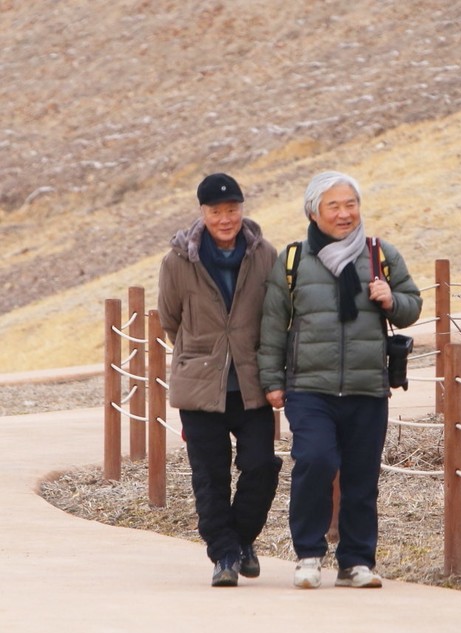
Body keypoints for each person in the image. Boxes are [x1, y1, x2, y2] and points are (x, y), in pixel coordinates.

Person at [258, 170, 422, 589]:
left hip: (368, 386)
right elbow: (274, 324)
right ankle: (309, 554)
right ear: (314, 212)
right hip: (309, 388)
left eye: (351, 204)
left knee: (361, 476)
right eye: (334, 205)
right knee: (315, 460)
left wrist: (392, 299)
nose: (345, 213)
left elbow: (411, 305)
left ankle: (356, 562)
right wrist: (272, 380)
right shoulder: (293, 260)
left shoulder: (380, 254)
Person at [158, 173, 282, 587]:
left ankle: (243, 537)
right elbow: (170, 319)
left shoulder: (264, 254)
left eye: (232, 210)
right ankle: (225, 555)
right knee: (210, 475)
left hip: (252, 384)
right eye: (216, 211)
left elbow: (276, 315)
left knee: (261, 466)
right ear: (202, 212)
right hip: (200, 386)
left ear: (242, 210)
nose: (225, 219)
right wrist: (205, 354)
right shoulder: (178, 261)